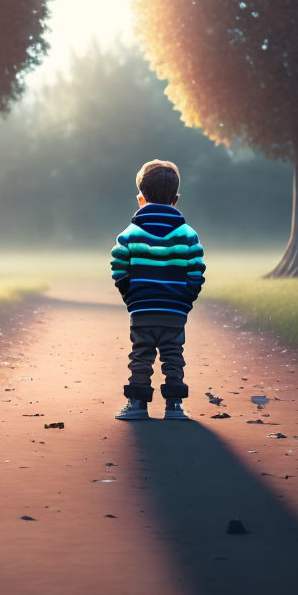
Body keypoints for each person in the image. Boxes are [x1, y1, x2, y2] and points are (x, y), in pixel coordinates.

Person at [110, 159, 205, 420]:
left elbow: (118, 264)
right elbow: (196, 270)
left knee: (140, 356)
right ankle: (174, 406)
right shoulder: (188, 234)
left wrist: (131, 295)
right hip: (175, 310)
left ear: (141, 199)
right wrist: (185, 299)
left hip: (142, 308)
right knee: (173, 357)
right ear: (176, 200)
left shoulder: (130, 233)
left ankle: (137, 405)